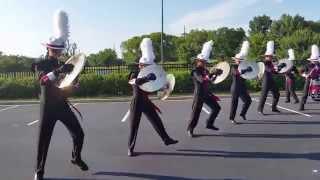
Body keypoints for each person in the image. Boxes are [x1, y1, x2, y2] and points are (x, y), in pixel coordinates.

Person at [33, 10, 88, 180]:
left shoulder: (62, 64)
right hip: (48, 107)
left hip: (62, 105)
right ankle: (39, 171)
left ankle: (75, 157)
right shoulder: (40, 64)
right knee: (44, 141)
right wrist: (60, 70)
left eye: (59, 51)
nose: (58, 54)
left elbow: (64, 85)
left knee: (79, 134)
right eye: (55, 51)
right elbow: (43, 81)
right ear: (48, 48)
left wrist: (74, 85)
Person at [127, 38, 178, 157]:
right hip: (137, 102)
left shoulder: (152, 74)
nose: (148, 67)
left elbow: (156, 87)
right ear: (141, 65)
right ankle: (130, 148)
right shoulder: (134, 73)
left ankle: (166, 139)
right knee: (134, 126)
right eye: (146, 65)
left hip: (146, 102)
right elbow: (135, 82)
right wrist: (146, 78)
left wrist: (165, 87)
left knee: (156, 120)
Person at [187, 40, 222, 137]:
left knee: (216, 108)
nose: (204, 63)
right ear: (198, 61)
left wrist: (216, 75)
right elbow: (201, 80)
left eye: (205, 62)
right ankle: (190, 129)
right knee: (196, 113)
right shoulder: (195, 71)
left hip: (206, 93)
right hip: (199, 94)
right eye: (202, 62)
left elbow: (210, 80)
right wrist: (211, 73)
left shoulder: (205, 70)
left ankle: (209, 124)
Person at [229, 41, 252, 124]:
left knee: (248, 101)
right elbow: (236, 73)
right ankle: (232, 118)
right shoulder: (233, 67)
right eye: (238, 60)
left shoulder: (244, 66)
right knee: (234, 103)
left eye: (240, 60)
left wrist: (252, 72)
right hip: (235, 87)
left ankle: (242, 113)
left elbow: (248, 76)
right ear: (236, 60)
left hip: (242, 87)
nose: (239, 61)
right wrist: (246, 70)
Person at [257, 41, 281, 115]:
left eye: (271, 56)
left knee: (277, 94)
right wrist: (272, 69)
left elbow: (274, 72)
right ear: (266, 56)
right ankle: (260, 109)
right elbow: (262, 68)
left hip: (271, 80)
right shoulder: (264, 62)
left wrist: (278, 70)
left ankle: (274, 108)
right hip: (265, 80)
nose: (270, 57)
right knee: (264, 95)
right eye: (269, 56)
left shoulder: (271, 63)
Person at [299, 45, 319, 111]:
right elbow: (301, 72)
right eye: (314, 60)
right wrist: (305, 75)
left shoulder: (319, 65)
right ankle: (301, 106)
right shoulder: (307, 65)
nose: (315, 61)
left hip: (318, 80)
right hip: (309, 80)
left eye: (316, 60)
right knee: (305, 93)